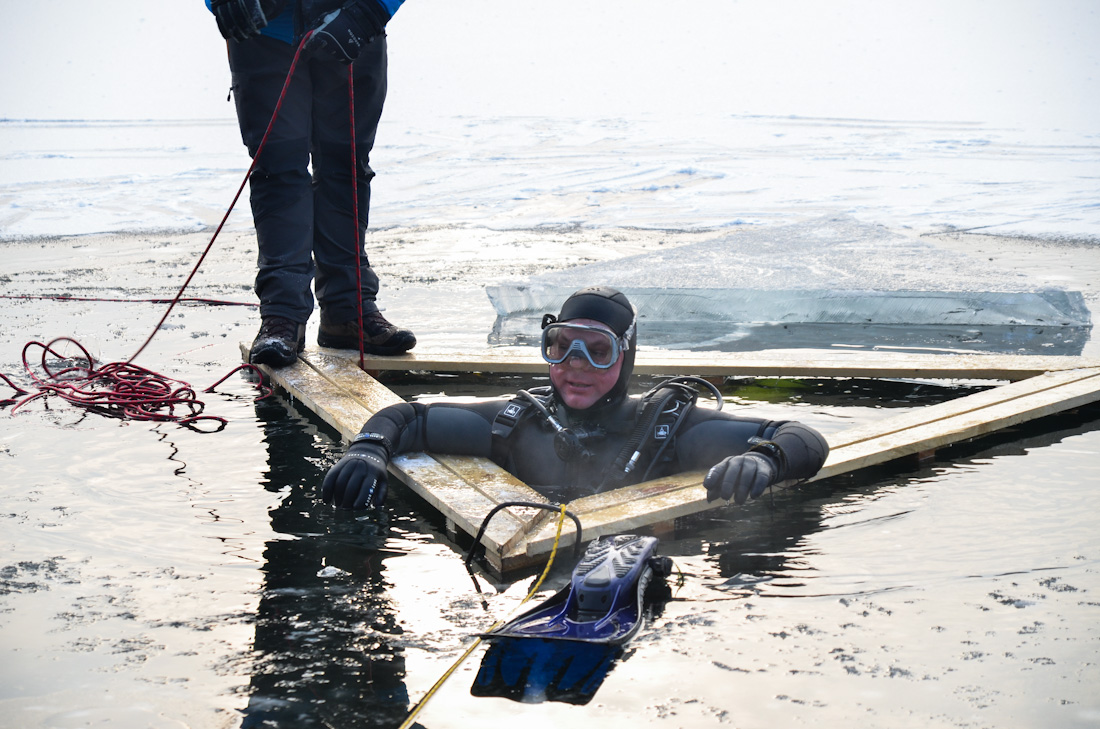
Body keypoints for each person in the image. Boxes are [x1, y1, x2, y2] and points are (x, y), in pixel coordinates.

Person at [323, 286, 830, 509]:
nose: (576, 365)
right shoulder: (519, 424)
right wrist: (368, 448)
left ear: (625, 356)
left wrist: (766, 459)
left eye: (598, 351)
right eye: (562, 347)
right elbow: (409, 418)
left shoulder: (666, 433)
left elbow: (802, 437)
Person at [206, 0, 416, 368]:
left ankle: (348, 312)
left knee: (346, 164)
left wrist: (373, 9)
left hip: (352, 24)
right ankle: (282, 316)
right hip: (266, 32)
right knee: (278, 167)